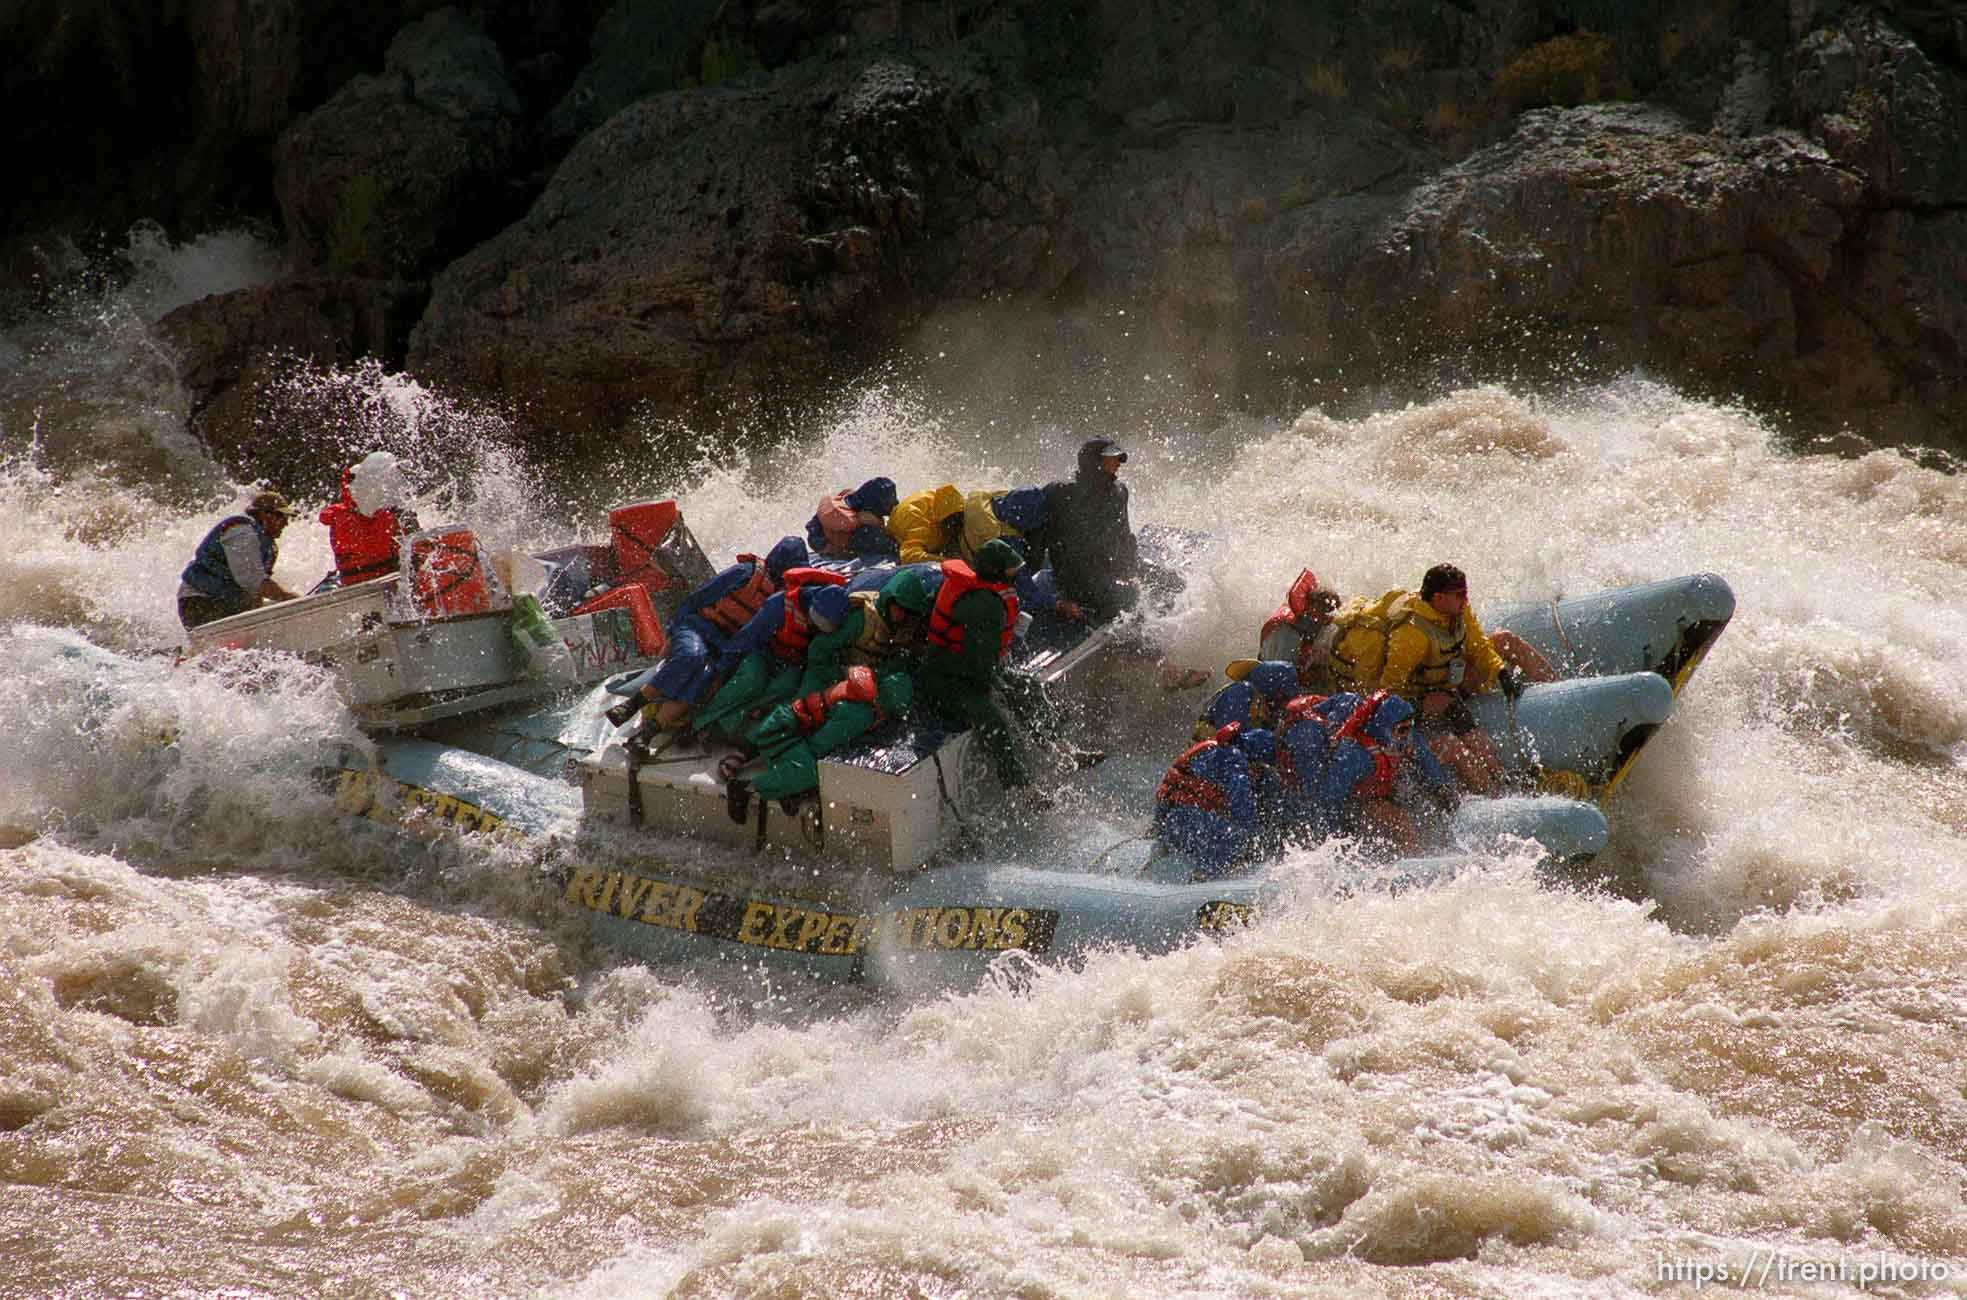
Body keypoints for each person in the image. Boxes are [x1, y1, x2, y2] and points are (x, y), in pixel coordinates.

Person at [1327, 563, 1556, 793]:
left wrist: (1501, 672)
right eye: (1459, 595)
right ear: (1438, 598)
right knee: (1447, 708)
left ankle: (1560, 694)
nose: (1465, 599)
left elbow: (1479, 646)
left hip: (1447, 682)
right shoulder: (1411, 636)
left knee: (1504, 640)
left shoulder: (1458, 610)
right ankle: (1499, 782)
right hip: (1418, 700)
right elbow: (1388, 695)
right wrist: (1420, 707)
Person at [727, 568, 931, 817]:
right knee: (800, 711)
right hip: (826, 671)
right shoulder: (862, 620)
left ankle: (787, 769)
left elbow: (894, 662)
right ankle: (750, 750)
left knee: (809, 719)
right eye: (900, 607)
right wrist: (844, 675)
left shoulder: (902, 629)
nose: (902, 615)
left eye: (909, 612)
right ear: (890, 600)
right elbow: (820, 650)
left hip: (862, 682)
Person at [1038, 437, 1206, 689]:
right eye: (1111, 459)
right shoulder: (1061, 492)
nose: (1118, 464)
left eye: (1118, 458)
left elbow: (1124, 536)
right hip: (1075, 576)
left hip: (1110, 568)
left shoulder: (1119, 493)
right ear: (1094, 463)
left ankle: (1131, 649)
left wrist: (1132, 568)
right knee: (1126, 598)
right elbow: (1037, 530)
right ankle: (1165, 669)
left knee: (1171, 582)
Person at [604, 535, 810, 731]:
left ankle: (649, 732)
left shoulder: (779, 598)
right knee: (692, 656)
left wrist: (721, 672)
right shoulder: (745, 572)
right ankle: (632, 705)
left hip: (721, 645)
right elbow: (697, 598)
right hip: (697, 628)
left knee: (704, 677)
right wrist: (671, 633)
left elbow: (750, 639)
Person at [913, 538, 1040, 791]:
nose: (1016, 577)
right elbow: (981, 666)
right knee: (993, 721)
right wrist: (995, 689)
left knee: (1030, 686)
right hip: (945, 680)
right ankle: (1022, 788)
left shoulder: (973, 588)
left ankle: (1059, 747)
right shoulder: (986, 606)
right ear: (996, 573)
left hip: (963, 667)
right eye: (1011, 572)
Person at [692, 566, 851, 740]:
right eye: (814, 621)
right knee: (751, 679)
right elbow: (747, 638)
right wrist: (720, 672)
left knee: (785, 687)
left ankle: (727, 727)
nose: (812, 626)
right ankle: (700, 721)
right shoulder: (779, 605)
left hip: (792, 664)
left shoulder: (838, 618)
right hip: (764, 653)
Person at [1315, 691, 1457, 856]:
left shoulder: (1404, 734)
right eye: (1403, 729)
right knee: (1403, 824)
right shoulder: (1354, 754)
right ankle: (1408, 862)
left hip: (1382, 789)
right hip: (1355, 801)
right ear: (1385, 728)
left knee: (1426, 806)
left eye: (1411, 726)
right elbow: (1330, 798)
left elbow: (1426, 758)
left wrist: (1441, 786)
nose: (1408, 734)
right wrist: (1339, 832)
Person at [1152, 722, 1279, 880]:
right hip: (1192, 825)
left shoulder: (1209, 748)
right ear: (1257, 756)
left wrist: (1158, 830)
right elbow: (1242, 805)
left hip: (1169, 824)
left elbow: (1168, 795)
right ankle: (1205, 879)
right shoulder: (1235, 758)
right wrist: (1255, 839)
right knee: (1237, 837)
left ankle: (1166, 858)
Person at [177, 490, 301, 631]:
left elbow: (256, 592)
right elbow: (252, 580)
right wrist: (286, 596)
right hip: (200, 602)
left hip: (225, 603)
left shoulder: (267, 544)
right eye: (282, 517)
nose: (286, 523)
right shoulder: (242, 533)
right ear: (264, 515)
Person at [318, 451, 421, 587]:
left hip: (360, 586)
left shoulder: (339, 514)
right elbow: (420, 553)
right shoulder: (396, 516)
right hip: (381, 587)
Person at [1258, 568, 1344, 693]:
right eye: (1322, 620)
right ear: (1312, 610)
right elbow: (1281, 677)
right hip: (1270, 688)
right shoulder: (1289, 633)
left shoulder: (1304, 625)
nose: (1323, 626)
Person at [1193, 660, 1303, 740]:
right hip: (1210, 756)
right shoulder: (1241, 692)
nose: (1282, 703)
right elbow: (1232, 737)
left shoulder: (1259, 701)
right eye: (1282, 696)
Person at [806, 476, 901, 561]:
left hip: (831, 542)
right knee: (869, 534)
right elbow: (813, 531)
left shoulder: (848, 499)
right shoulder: (847, 520)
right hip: (831, 547)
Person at [886, 483, 969, 564]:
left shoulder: (955, 504)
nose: (956, 527)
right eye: (952, 524)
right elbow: (909, 556)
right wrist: (947, 562)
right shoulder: (923, 527)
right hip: (897, 532)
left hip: (921, 506)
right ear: (941, 521)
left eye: (959, 521)